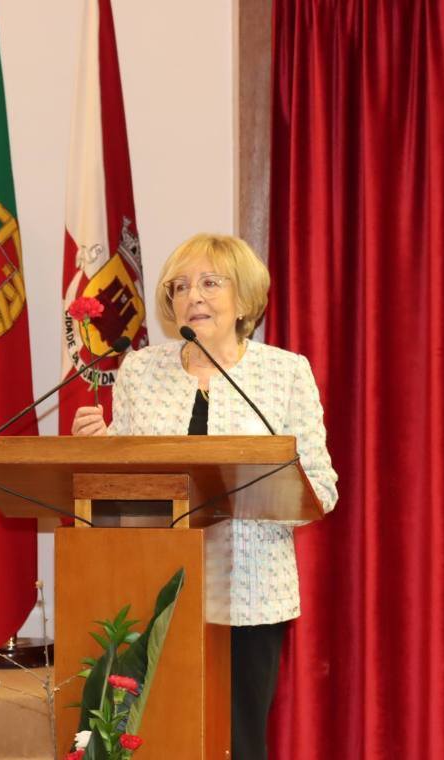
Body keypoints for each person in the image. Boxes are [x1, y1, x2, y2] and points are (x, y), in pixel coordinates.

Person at [71, 233, 337, 760]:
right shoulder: (140, 370)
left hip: (250, 590)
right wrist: (97, 451)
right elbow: (124, 482)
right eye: (181, 286)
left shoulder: (285, 373)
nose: (193, 295)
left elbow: (321, 487)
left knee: (239, 740)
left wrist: (262, 483)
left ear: (244, 299)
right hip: (152, 584)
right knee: (152, 734)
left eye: (211, 282)